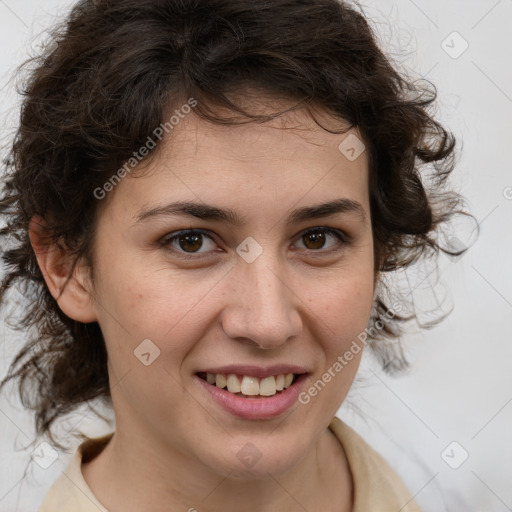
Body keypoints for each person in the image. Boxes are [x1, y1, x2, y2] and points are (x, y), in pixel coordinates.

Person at [0, 0, 471, 510]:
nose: (267, 323)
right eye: (191, 241)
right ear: (68, 267)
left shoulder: (447, 492)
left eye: (318, 238)